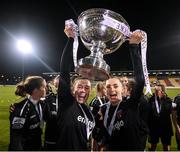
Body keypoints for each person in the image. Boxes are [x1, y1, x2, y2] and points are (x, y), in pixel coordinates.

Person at [94, 30, 145, 150]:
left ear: (123, 90)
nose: (112, 89)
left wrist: (133, 47)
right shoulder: (103, 109)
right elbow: (101, 133)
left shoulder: (130, 104)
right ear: (105, 92)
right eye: (108, 87)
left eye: (116, 86)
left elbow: (140, 80)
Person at [56, 24, 95, 150]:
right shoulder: (67, 102)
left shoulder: (89, 112)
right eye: (80, 86)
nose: (83, 90)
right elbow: (64, 70)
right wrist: (71, 39)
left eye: (87, 88)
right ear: (73, 89)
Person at [9, 76, 46, 151]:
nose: (46, 89)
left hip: (37, 146)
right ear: (36, 90)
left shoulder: (41, 104)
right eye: (44, 87)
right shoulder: (22, 109)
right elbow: (16, 139)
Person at [148, 84, 173, 151]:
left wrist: (162, 99)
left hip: (165, 127)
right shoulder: (151, 100)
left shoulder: (168, 100)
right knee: (153, 146)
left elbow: (169, 111)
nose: (155, 92)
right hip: (154, 127)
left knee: (166, 146)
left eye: (158, 90)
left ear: (162, 91)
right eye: (155, 90)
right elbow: (149, 112)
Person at [89, 82, 108, 151]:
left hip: (105, 129)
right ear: (101, 89)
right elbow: (91, 119)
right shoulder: (94, 101)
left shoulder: (106, 99)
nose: (107, 90)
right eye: (105, 89)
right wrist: (99, 115)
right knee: (95, 148)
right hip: (97, 130)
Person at [43, 75, 60, 150]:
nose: (59, 87)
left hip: (66, 138)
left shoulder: (72, 100)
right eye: (57, 85)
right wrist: (17, 107)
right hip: (51, 137)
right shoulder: (48, 98)